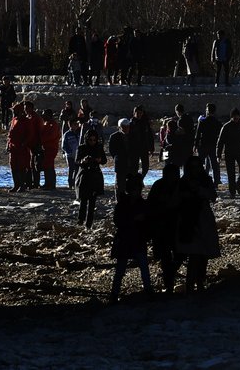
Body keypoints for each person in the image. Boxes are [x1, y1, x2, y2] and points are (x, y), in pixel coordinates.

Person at [176, 156, 219, 293]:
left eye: (197, 167)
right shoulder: (183, 182)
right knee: (195, 254)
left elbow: (213, 196)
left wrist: (199, 190)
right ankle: (191, 284)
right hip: (189, 219)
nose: (195, 170)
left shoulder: (205, 180)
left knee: (203, 255)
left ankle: (199, 282)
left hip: (203, 217)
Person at [109, 173, 152, 303]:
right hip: (133, 239)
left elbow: (118, 221)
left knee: (122, 269)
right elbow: (118, 221)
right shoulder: (139, 204)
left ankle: (115, 294)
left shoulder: (124, 204)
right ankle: (148, 292)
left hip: (128, 239)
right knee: (140, 267)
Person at [147, 164, 182, 294]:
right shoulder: (176, 185)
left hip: (166, 225)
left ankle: (169, 279)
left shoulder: (159, 185)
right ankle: (169, 280)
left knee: (169, 256)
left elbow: (150, 206)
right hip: (167, 225)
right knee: (171, 255)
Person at [75, 129, 107, 229]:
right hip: (84, 175)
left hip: (95, 176)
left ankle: (89, 223)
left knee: (92, 202)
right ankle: (80, 220)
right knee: (83, 200)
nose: (92, 142)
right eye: (90, 140)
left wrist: (99, 159)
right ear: (87, 139)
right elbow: (77, 161)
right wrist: (83, 161)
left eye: (94, 140)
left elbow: (104, 160)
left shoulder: (99, 147)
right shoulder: (81, 148)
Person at [217, 108, 240, 197]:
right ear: (231, 117)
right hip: (229, 153)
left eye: (237, 117)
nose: (236, 118)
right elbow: (220, 142)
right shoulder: (226, 127)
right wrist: (218, 155)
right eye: (234, 117)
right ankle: (232, 193)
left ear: (239, 116)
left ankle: (237, 186)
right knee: (230, 174)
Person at [194, 103, 222, 185]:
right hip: (213, 145)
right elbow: (220, 136)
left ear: (207, 110)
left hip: (203, 145)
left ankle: (200, 180)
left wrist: (195, 145)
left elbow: (198, 133)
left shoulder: (202, 121)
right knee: (214, 165)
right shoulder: (217, 122)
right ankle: (216, 182)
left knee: (200, 164)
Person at [7, 102, 30, 192]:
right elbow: (10, 134)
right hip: (13, 147)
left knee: (21, 166)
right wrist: (8, 144)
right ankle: (16, 185)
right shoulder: (14, 120)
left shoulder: (25, 121)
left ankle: (22, 185)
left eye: (15, 111)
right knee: (13, 166)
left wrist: (24, 143)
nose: (13, 112)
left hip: (21, 147)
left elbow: (29, 135)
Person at [108, 118, 131, 201]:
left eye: (128, 126)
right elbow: (112, 150)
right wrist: (117, 158)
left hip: (131, 163)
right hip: (120, 163)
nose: (126, 128)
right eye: (124, 127)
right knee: (119, 184)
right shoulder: (114, 136)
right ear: (120, 127)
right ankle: (119, 201)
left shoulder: (132, 135)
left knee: (130, 184)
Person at [129, 105, 154, 176]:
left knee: (146, 166)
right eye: (137, 113)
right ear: (134, 113)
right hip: (134, 148)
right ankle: (135, 180)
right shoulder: (131, 124)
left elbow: (149, 135)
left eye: (140, 113)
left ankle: (141, 178)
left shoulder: (145, 123)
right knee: (134, 166)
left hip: (144, 147)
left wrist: (151, 148)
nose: (139, 114)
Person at [38, 109, 60, 190]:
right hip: (46, 148)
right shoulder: (46, 123)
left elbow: (51, 136)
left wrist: (41, 139)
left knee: (49, 165)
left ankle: (51, 184)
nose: (43, 116)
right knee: (46, 165)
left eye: (44, 115)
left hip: (51, 148)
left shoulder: (53, 125)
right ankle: (47, 183)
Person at [61, 119, 80, 190]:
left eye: (77, 124)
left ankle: (75, 183)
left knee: (77, 169)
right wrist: (69, 152)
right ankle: (70, 184)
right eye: (75, 124)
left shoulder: (79, 133)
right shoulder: (67, 134)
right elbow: (63, 145)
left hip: (77, 155)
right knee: (71, 169)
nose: (76, 125)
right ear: (71, 125)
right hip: (70, 155)